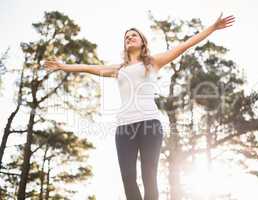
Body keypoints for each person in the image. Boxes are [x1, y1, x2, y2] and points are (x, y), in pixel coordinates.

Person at [44, 13, 235, 200]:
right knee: (128, 178)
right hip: (124, 127)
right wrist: (63, 66)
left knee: (149, 177)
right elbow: (88, 67)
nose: (129, 38)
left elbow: (185, 45)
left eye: (133, 35)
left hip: (149, 125)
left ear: (142, 42)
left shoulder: (152, 62)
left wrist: (212, 28)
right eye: (126, 37)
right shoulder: (117, 69)